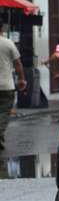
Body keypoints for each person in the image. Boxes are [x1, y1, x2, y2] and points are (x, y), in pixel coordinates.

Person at [0, 22, 26, 150]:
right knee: (4, 113)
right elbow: (18, 63)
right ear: (2, 29)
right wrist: (21, 79)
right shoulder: (8, 43)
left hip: (6, 86)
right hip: (6, 86)